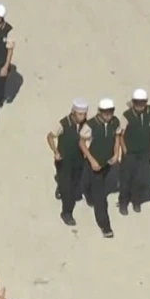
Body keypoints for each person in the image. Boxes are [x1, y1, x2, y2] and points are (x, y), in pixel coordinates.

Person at [81, 99, 120, 238]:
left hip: (106, 163)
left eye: (111, 112)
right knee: (100, 197)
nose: (108, 115)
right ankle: (105, 225)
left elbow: (117, 137)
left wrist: (116, 154)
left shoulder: (115, 122)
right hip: (93, 163)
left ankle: (87, 192)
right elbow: (82, 143)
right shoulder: (90, 125)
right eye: (105, 112)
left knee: (91, 183)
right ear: (100, 112)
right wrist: (92, 161)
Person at [47, 99, 90, 228]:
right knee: (68, 188)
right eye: (80, 114)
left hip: (78, 160)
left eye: (84, 114)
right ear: (73, 112)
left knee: (75, 182)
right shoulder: (63, 124)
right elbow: (50, 136)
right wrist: (55, 151)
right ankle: (66, 213)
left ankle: (60, 187)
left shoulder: (85, 125)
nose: (82, 117)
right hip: (64, 161)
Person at [117, 88, 150, 215]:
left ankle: (136, 201)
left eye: (142, 103)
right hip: (130, 153)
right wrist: (124, 149)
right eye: (137, 103)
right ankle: (123, 203)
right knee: (126, 179)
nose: (139, 106)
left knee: (140, 178)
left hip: (144, 151)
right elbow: (120, 134)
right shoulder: (126, 116)